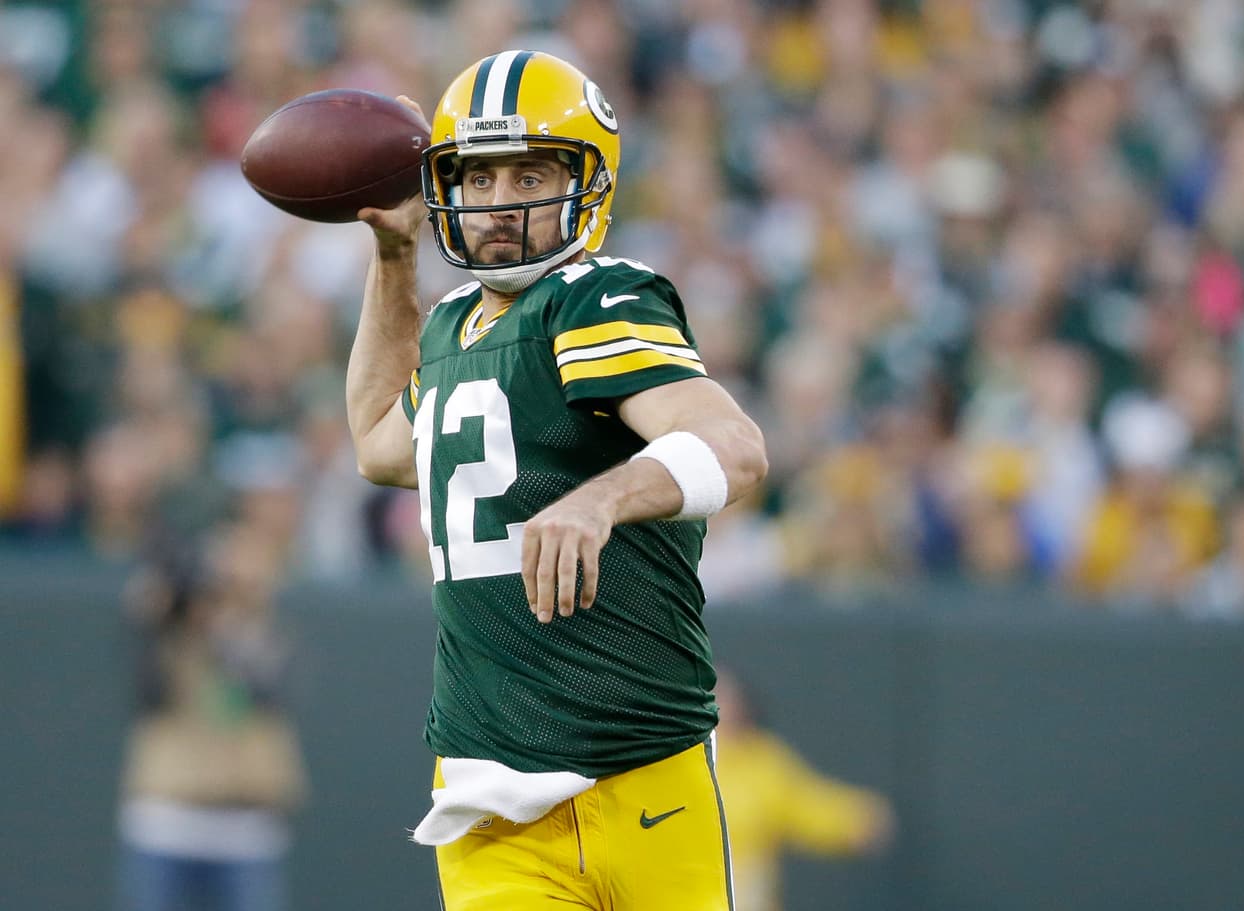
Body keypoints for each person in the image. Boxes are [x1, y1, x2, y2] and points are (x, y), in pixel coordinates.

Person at [345, 51, 768, 911]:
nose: (499, 202)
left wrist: (600, 497)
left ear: (586, 182)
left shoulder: (594, 298)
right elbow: (380, 445)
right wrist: (392, 263)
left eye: (528, 172)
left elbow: (735, 447)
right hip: (490, 799)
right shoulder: (453, 325)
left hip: (646, 771)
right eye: (479, 176)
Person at [117, 522, 307, 911]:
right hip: (166, 821)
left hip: (247, 829)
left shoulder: (270, 632)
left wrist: (227, 619)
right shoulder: (169, 630)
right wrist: (167, 602)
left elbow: (263, 683)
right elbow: (146, 682)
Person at [712, 667, 895, 911]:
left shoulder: (760, 762)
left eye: (725, 699)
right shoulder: (676, 760)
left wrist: (855, 819)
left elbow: (805, 804)